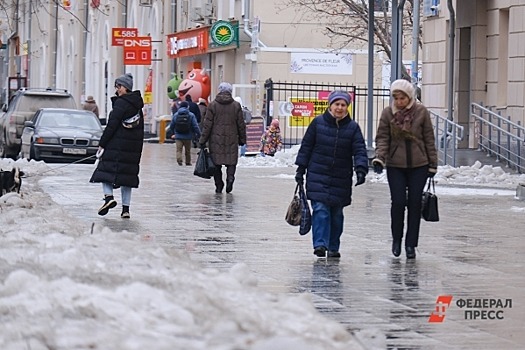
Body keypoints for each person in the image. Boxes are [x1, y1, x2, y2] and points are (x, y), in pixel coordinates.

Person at [295, 90, 368, 259]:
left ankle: (333, 246)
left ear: (347, 107)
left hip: (341, 177)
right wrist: (300, 168)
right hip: (318, 174)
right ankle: (320, 244)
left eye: (343, 105)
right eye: (337, 104)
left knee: (336, 214)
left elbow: (359, 150)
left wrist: (361, 169)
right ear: (330, 105)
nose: (340, 108)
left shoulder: (353, 127)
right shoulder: (317, 123)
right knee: (320, 209)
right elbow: (306, 146)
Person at [372, 79, 438, 259]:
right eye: (396, 98)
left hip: (419, 164)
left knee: (415, 204)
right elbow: (382, 138)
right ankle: (396, 240)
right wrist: (380, 157)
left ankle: (411, 244)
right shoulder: (388, 113)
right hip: (395, 165)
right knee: (398, 202)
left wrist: (433, 163)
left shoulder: (421, 112)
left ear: (409, 97)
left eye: (402, 98)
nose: (399, 102)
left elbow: (428, 139)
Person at [89, 73, 144, 219]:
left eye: (118, 86)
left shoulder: (121, 103)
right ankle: (125, 210)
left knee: (104, 172)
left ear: (125, 87)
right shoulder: (137, 105)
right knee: (128, 178)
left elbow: (111, 126)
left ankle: (109, 198)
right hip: (132, 149)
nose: (116, 90)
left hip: (117, 146)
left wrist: (102, 143)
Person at [199, 82, 246, 194]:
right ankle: (230, 178)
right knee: (231, 162)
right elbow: (241, 124)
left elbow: (207, 125)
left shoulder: (213, 105)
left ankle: (219, 184)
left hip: (216, 140)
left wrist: (202, 140)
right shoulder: (236, 105)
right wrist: (242, 139)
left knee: (216, 163)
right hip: (232, 138)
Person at [168, 101, 201, 166]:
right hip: (188, 136)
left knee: (179, 150)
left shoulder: (176, 115)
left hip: (178, 136)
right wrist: (199, 134)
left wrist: (173, 133)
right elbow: (195, 126)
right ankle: (188, 162)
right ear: (187, 107)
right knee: (187, 151)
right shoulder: (191, 115)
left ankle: (179, 160)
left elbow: (171, 125)